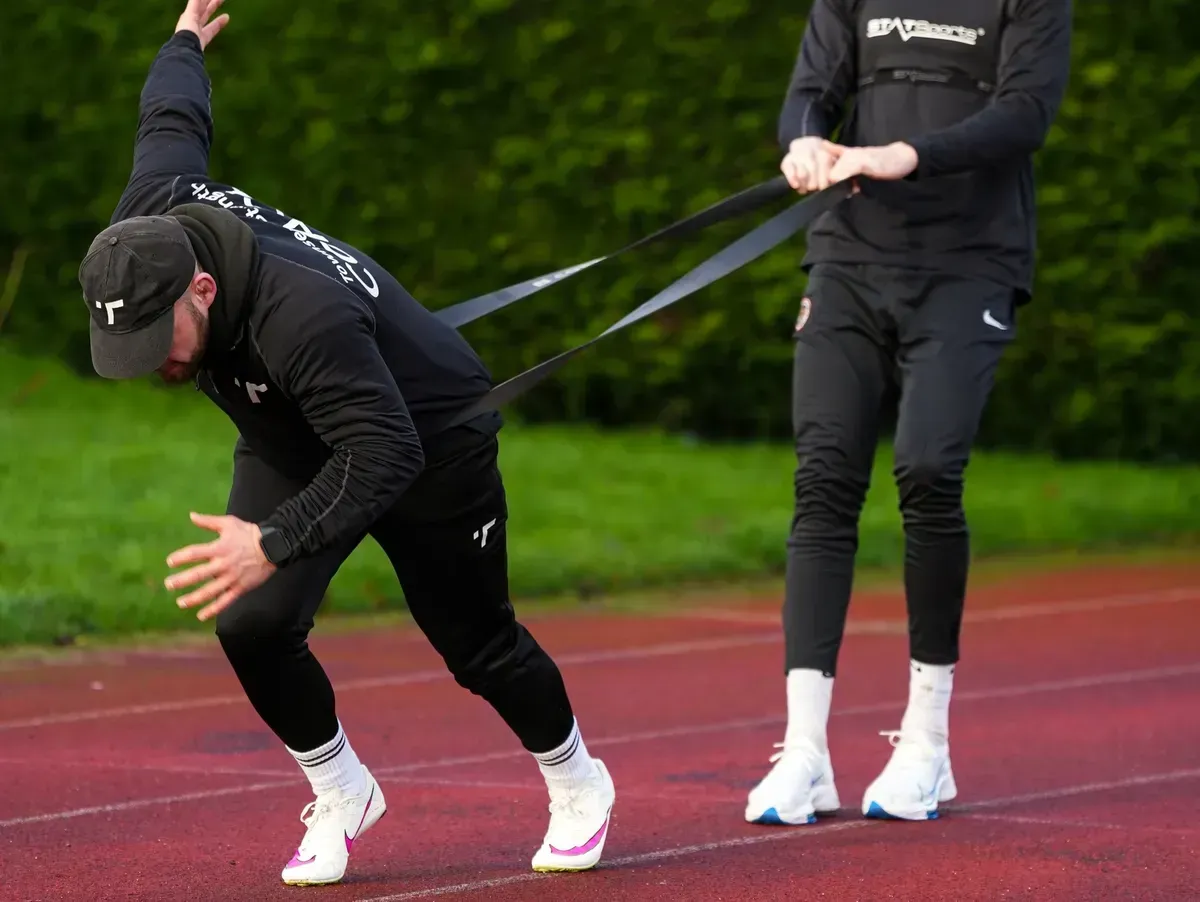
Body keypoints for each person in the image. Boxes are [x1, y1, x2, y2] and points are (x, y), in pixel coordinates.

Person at [77, 0, 615, 885]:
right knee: (251, 623)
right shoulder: (150, 222)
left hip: (426, 440)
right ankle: (342, 791)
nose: (148, 365)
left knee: (476, 646)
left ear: (203, 289)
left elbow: (387, 455)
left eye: (157, 340)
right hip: (293, 428)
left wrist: (276, 541)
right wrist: (183, 43)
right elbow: (170, 120)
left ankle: (578, 780)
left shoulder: (302, 316)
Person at [745, 0, 1072, 825]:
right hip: (850, 256)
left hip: (969, 264)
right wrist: (807, 141)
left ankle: (927, 744)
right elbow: (813, 91)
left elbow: (1026, 114)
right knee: (823, 481)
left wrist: (903, 154)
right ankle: (805, 755)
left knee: (927, 469)